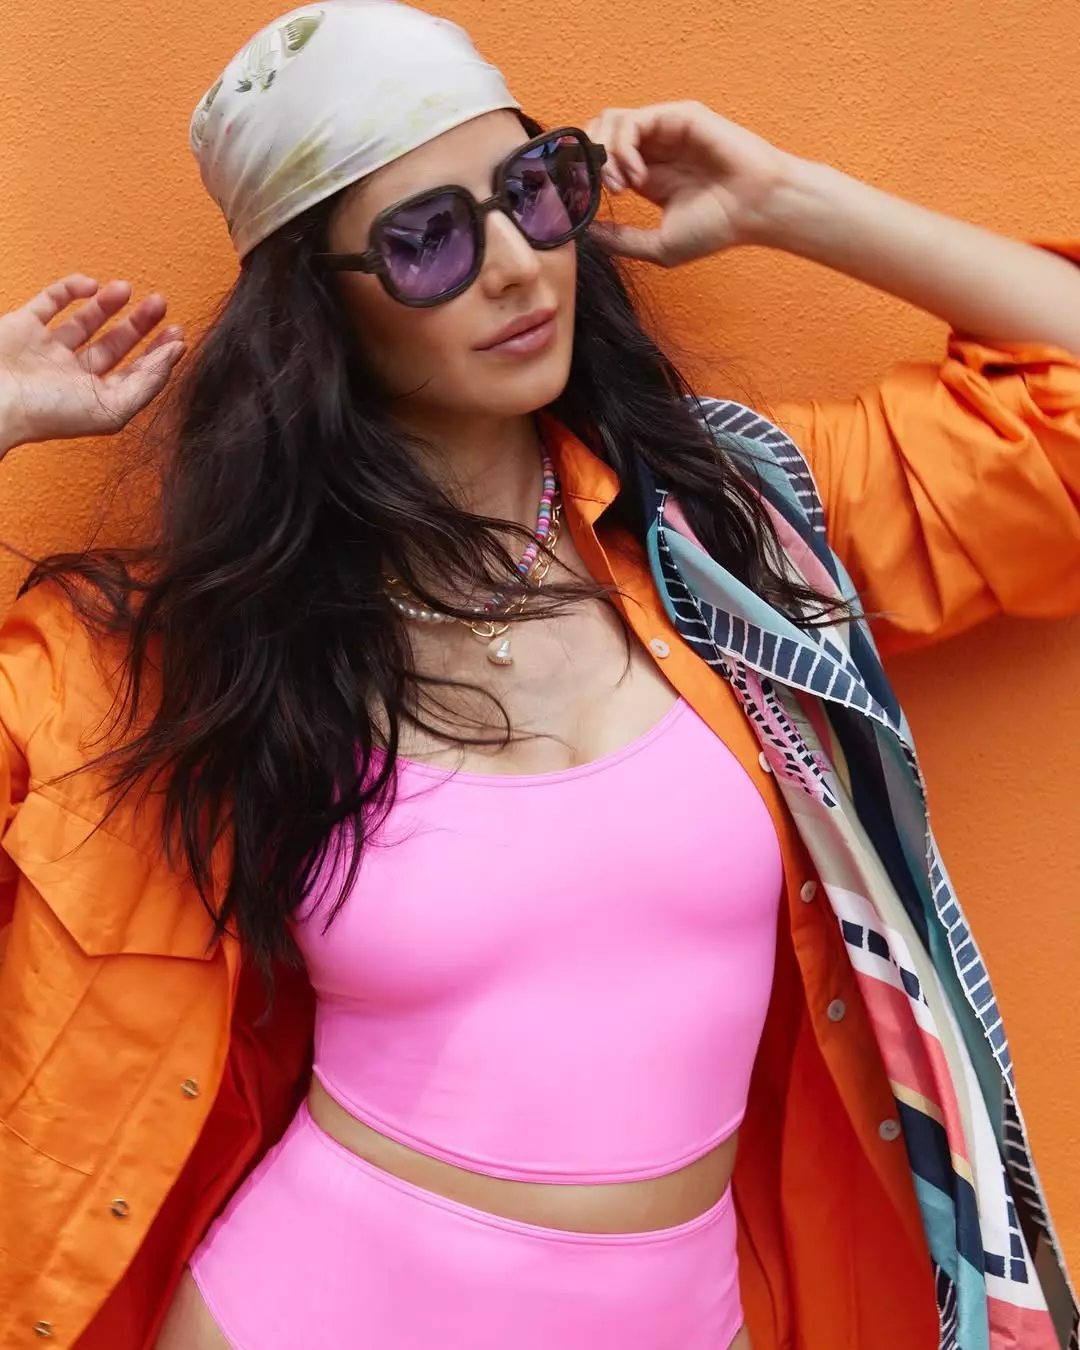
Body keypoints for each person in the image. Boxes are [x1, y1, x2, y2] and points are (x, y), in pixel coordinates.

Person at [1, 2, 1078, 1347]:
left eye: (534, 189)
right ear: (318, 308)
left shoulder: (729, 542)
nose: (517, 264)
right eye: (427, 239)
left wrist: (789, 201)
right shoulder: (183, 655)